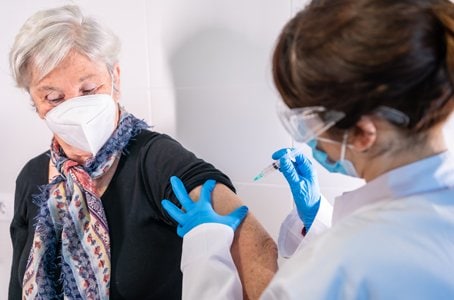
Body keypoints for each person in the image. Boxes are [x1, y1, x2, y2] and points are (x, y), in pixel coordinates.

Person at [161, 0, 454, 298]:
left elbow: (344, 267)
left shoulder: (347, 260)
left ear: (364, 133)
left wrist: (206, 250)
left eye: (308, 121)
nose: (308, 137)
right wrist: (314, 219)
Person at [7, 5, 277, 300]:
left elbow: (256, 248)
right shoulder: (32, 177)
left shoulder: (157, 161)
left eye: (88, 90)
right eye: (54, 97)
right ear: (34, 102)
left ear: (115, 80)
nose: (73, 107)